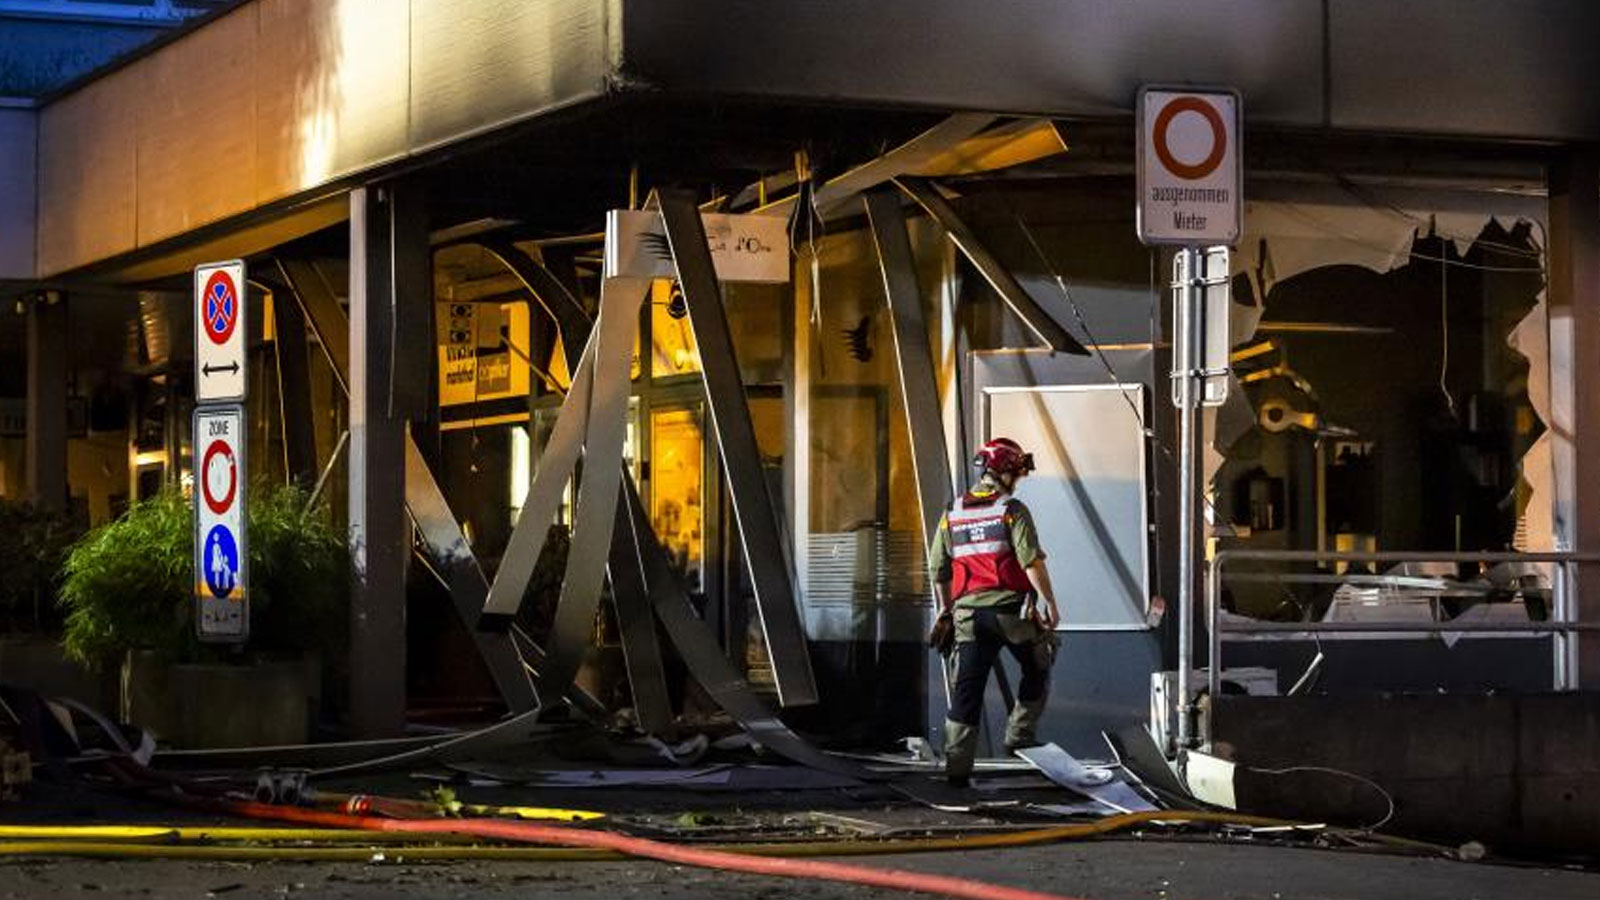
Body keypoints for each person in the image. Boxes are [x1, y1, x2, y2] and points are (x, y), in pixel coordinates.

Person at [927, 437, 1060, 787]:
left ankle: (956, 770)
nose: (1018, 480)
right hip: (1011, 615)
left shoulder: (951, 513)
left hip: (968, 618)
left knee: (967, 692)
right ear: (1001, 472)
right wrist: (1050, 602)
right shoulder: (1011, 509)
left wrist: (946, 610)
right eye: (1015, 473)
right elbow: (1030, 561)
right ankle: (1018, 736)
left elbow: (937, 569)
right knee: (1038, 663)